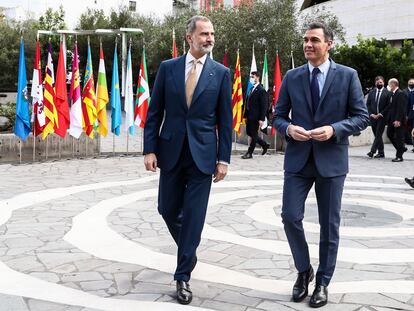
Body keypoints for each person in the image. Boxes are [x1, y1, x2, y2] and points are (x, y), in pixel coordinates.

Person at [273, 22, 369, 308]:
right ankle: (304, 271)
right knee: (290, 216)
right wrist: (288, 129)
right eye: (305, 40)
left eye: (314, 40)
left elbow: (361, 117)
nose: (308, 45)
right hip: (298, 160)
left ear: (329, 44)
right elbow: (278, 116)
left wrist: (334, 129)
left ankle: (323, 282)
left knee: (330, 226)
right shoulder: (292, 77)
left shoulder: (348, 76)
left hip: (331, 161)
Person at [143, 15, 232, 305]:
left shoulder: (220, 73)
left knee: (194, 216)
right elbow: (154, 112)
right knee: (166, 208)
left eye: (212, 34)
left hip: (203, 155)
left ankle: (182, 276)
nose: (210, 38)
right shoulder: (168, 69)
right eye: (204, 34)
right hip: (170, 152)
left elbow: (225, 121)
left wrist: (224, 159)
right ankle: (189, 252)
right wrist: (149, 149)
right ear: (189, 38)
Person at [241, 71, 270, 159]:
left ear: (258, 77)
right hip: (249, 115)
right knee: (249, 132)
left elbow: (264, 106)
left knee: (253, 133)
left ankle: (250, 153)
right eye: (251, 77)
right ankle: (264, 145)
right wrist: (245, 115)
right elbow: (248, 103)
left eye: (253, 77)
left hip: (256, 117)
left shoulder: (261, 90)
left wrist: (262, 119)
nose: (252, 78)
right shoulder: (251, 89)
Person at [366, 76, 390, 158]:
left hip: (382, 117)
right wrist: (371, 114)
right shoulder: (371, 92)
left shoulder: (387, 93)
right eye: (377, 82)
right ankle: (381, 152)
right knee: (377, 135)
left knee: (378, 133)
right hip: (373, 117)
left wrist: (381, 114)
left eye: (380, 82)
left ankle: (372, 151)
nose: (379, 84)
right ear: (375, 83)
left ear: (383, 82)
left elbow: (388, 105)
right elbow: (368, 104)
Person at [386, 78, 407, 162]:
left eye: (389, 84)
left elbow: (401, 108)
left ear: (393, 84)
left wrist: (398, 120)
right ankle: (401, 148)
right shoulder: (393, 93)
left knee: (399, 137)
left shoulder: (401, 93)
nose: (388, 86)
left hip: (398, 120)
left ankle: (399, 156)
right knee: (389, 134)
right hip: (391, 119)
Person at [404, 78, 414, 150]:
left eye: (412, 82)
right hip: (406, 114)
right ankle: (407, 141)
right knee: (406, 128)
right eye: (410, 82)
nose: (411, 84)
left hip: (413, 113)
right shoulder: (404, 91)